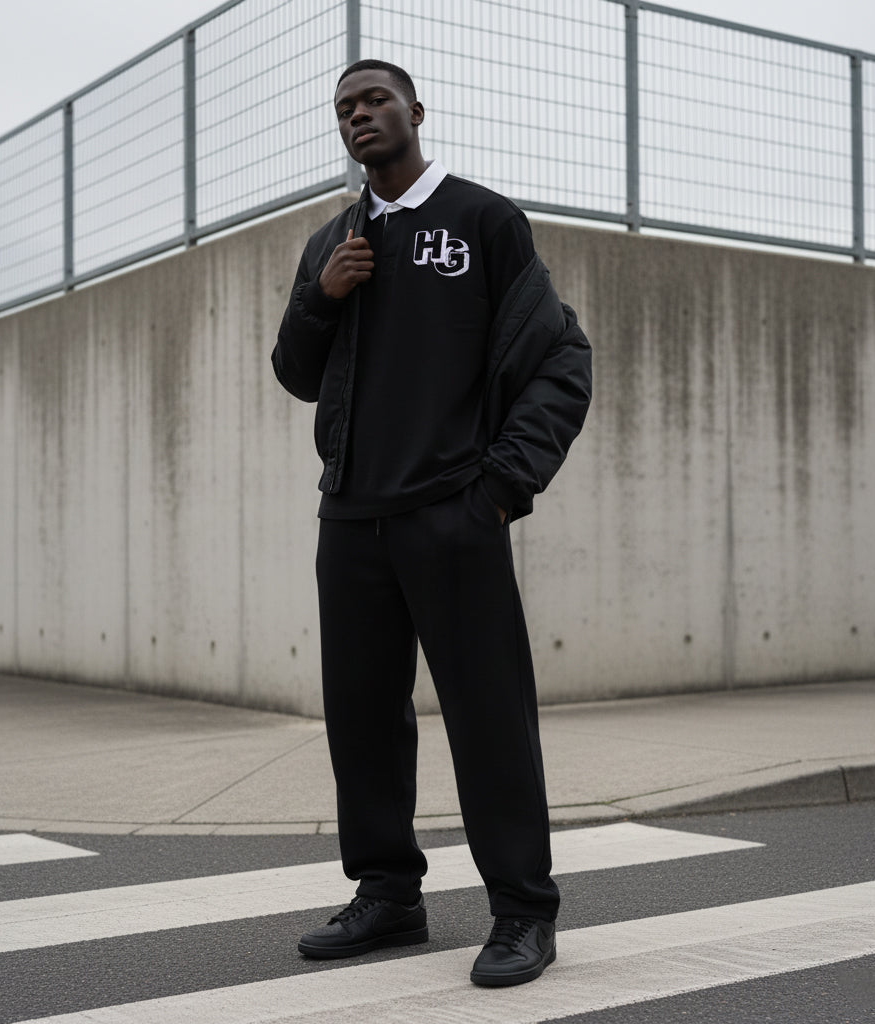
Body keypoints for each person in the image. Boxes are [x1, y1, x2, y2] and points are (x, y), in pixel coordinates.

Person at [272, 59, 591, 987]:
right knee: (361, 722)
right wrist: (321, 295)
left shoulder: (482, 220)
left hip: (453, 512)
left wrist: (500, 487)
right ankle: (388, 896)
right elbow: (296, 372)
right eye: (344, 107)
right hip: (352, 517)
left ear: (415, 110)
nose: (359, 115)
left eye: (375, 99)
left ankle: (523, 912)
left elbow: (561, 362)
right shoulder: (333, 241)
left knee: (490, 719)